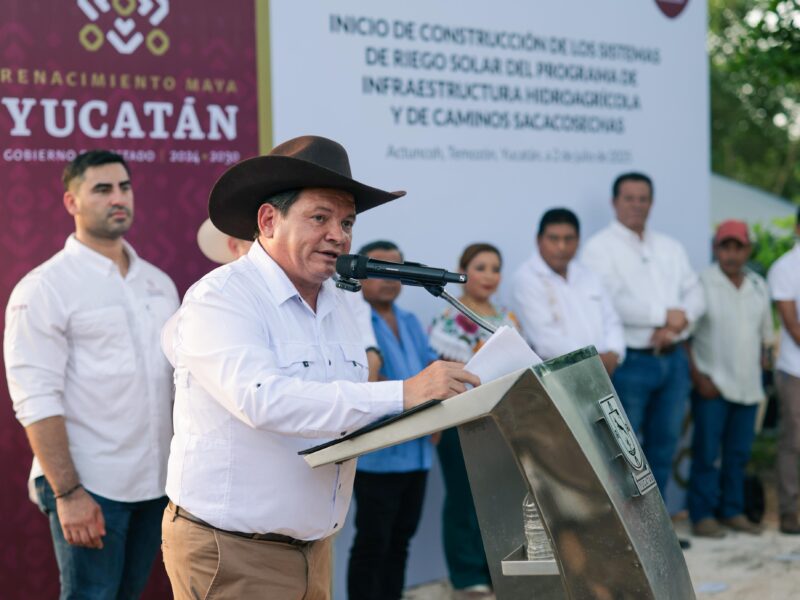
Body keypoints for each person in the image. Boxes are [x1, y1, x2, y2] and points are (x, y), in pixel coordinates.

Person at [159, 135, 480, 599]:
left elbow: (339, 412)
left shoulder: (346, 304)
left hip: (316, 546)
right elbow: (263, 400)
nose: (340, 235)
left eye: (347, 221)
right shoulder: (221, 297)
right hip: (234, 551)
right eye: (320, 218)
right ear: (268, 220)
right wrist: (403, 393)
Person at [3, 150, 179, 598]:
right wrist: (68, 493)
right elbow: (36, 398)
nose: (118, 198)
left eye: (124, 187)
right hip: (89, 485)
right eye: (102, 189)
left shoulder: (159, 284)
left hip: (156, 485)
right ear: (71, 202)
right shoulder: (45, 288)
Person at [582, 173, 704, 536]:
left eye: (643, 198)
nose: (637, 205)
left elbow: (695, 294)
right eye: (629, 198)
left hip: (673, 359)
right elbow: (611, 301)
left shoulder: (670, 246)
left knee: (664, 445)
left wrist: (678, 325)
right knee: (625, 450)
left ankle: (658, 532)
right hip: (632, 362)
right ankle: (629, 534)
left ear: (651, 202)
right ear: (614, 202)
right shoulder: (598, 248)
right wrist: (663, 315)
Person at [347, 240, 439, 600]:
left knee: (401, 541)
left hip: (418, 451)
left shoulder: (410, 320)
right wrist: (410, 389)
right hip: (378, 454)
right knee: (373, 541)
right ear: (360, 276)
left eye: (397, 269)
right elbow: (358, 382)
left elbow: (432, 369)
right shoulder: (353, 319)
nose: (389, 278)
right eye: (379, 269)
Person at [428, 243, 518, 600]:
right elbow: (441, 376)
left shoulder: (507, 318)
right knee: (464, 499)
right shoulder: (448, 318)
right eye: (480, 267)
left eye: (496, 268)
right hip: (461, 420)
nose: (489, 275)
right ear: (463, 270)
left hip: (500, 419)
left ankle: (496, 571)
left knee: (497, 498)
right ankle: (466, 578)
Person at [194, 217, 382, 380]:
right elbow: (261, 398)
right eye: (256, 240)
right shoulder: (215, 295)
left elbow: (369, 355)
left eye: (346, 223)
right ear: (235, 247)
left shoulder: (339, 292)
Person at [687, 220, 772, 538]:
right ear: (716, 249)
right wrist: (698, 377)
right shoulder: (702, 283)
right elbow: (686, 337)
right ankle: (703, 514)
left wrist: (765, 378)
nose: (732, 254)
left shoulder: (758, 286)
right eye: (726, 246)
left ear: (748, 250)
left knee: (738, 455)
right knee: (707, 453)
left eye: (738, 247)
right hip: (713, 385)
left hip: (749, 386)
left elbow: (765, 338)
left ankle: (732, 510)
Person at [510, 207, 625, 372]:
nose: (561, 247)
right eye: (553, 239)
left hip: (607, 369)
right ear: (539, 240)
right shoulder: (526, 279)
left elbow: (611, 320)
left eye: (568, 239)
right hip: (561, 373)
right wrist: (593, 360)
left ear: (578, 241)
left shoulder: (588, 274)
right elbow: (545, 340)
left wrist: (614, 353)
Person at [768, 206, 800, 534]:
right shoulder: (786, 268)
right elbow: (792, 326)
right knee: (794, 442)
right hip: (796, 371)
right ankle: (790, 512)